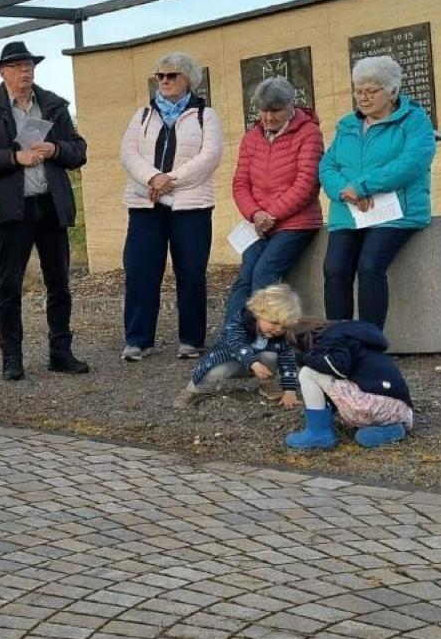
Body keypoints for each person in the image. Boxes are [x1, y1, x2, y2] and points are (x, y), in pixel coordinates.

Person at [0, 41, 90, 381]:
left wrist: (55, 148)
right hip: (11, 212)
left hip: (50, 206)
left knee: (59, 284)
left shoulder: (52, 106)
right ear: (3, 72)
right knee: (9, 287)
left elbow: (79, 151)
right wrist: (12, 157)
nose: (25, 71)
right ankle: (12, 356)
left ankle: (60, 352)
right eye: (17, 66)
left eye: (29, 65)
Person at [118, 52, 225, 361]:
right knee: (140, 272)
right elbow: (128, 153)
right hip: (145, 207)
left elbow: (209, 157)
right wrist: (152, 178)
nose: (163, 81)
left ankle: (191, 340)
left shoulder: (207, 115)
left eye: (171, 76)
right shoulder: (142, 115)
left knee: (191, 273)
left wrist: (169, 180)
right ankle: (139, 340)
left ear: (188, 79)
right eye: (160, 76)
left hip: (191, 208)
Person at [317, 55, 435, 331]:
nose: (363, 98)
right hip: (350, 212)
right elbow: (328, 164)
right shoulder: (347, 125)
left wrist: (363, 186)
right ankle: (339, 339)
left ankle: (369, 342)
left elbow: (413, 162)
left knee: (370, 266)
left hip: (396, 212)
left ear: (392, 91)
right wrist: (344, 191)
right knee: (334, 269)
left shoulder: (415, 120)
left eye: (371, 91)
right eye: (358, 91)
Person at [221, 77, 324, 333]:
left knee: (264, 272)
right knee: (245, 277)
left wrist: (272, 214)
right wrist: (255, 214)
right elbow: (240, 184)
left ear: (291, 106)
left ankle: (264, 339)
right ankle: (232, 340)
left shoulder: (309, 132)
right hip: (258, 225)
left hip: (296, 223)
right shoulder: (251, 138)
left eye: (275, 110)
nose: (268, 117)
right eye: (264, 111)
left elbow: (307, 183)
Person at [275, 289, 415, 452]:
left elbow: (339, 368)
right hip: (396, 408)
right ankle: (391, 428)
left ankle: (319, 433)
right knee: (320, 371)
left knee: (308, 372)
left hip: (378, 405)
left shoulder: (331, 339)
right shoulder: (343, 333)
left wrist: (305, 358)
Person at [174, 283, 302, 409]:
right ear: (258, 313)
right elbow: (236, 344)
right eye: (274, 322)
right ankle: (191, 391)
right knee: (213, 372)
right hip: (229, 360)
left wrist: (290, 391)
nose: (278, 329)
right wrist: (253, 363)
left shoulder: (281, 337)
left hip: (257, 365)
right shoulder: (240, 323)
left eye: (284, 326)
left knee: (271, 356)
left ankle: (266, 384)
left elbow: (288, 361)